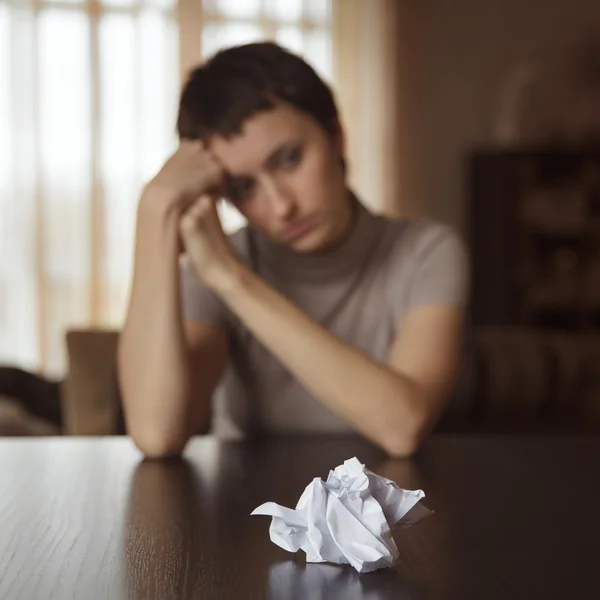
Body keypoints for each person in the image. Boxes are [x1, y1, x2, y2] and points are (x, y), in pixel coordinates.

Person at [117, 42, 469, 459]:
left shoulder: (427, 253)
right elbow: (157, 434)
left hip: (384, 510)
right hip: (252, 513)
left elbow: (403, 425)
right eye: (244, 188)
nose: (282, 206)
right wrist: (154, 208)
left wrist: (234, 281)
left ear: (336, 136)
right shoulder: (214, 266)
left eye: (288, 159)